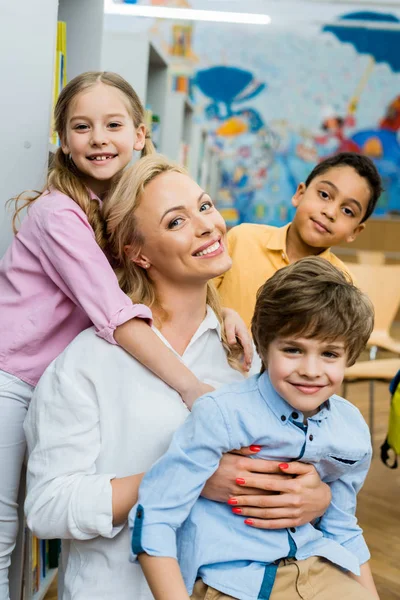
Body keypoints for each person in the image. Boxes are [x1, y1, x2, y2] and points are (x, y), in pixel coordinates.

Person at [24, 156, 331, 600]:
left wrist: (315, 496)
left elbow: (295, 461)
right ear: (137, 253)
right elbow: (48, 507)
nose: (207, 226)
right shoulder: (88, 361)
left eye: (205, 207)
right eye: (176, 221)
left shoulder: (245, 358)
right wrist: (187, 476)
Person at [0, 72, 250, 600]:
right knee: (2, 539)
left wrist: (222, 312)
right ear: (63, 141)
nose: (98, 138)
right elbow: (115, 309)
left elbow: (160, 275)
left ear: (140, 134)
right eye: (81, 127)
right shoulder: (58, 214)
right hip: (11, 381)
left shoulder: (114, 215)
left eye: (113, 124)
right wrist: (189, 386)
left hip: (54, 376)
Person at [131, 257, 380, 600]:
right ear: (264, 346)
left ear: (349, 357)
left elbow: (342, 526)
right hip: (232, 580)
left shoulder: (350, 429)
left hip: (319, 566)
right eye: (293, 350)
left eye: (329, 354)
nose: (311, 369)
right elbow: (155, 516)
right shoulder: (221, 414)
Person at [215, 152, 382, 328]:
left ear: (354, 232)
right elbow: (195, 300)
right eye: (324, 195)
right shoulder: (241, 239)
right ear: (299, 194)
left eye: (348, 211)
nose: (330, 212)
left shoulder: (344, 285)